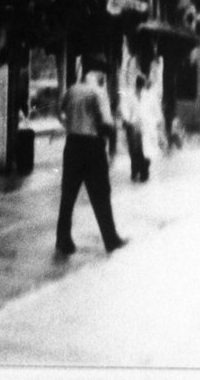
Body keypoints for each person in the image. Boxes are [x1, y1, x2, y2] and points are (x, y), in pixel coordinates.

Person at [54, 55, 126, 257]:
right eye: (103, 74)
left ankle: (63, 240)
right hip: (92, 146)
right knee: (101, 194)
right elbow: (108, 124)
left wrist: (70, 125)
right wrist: (109, 143)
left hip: (72, 145)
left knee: (68, 195)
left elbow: (59, 113)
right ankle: (110, 239)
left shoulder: (72, 89)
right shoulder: (98, 93)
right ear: (98, 74)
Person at [120, 75, 148, 182]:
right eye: (141, 84)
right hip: (131, 125)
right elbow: (125, 108)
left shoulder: (144, 95)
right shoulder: (129, 95)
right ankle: (137, 170)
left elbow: (145, 110)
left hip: (140, 125)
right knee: (133, 149)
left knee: (138, 148)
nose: (142, 87)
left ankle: (139, 170)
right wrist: (128, 121)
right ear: (138, 84)